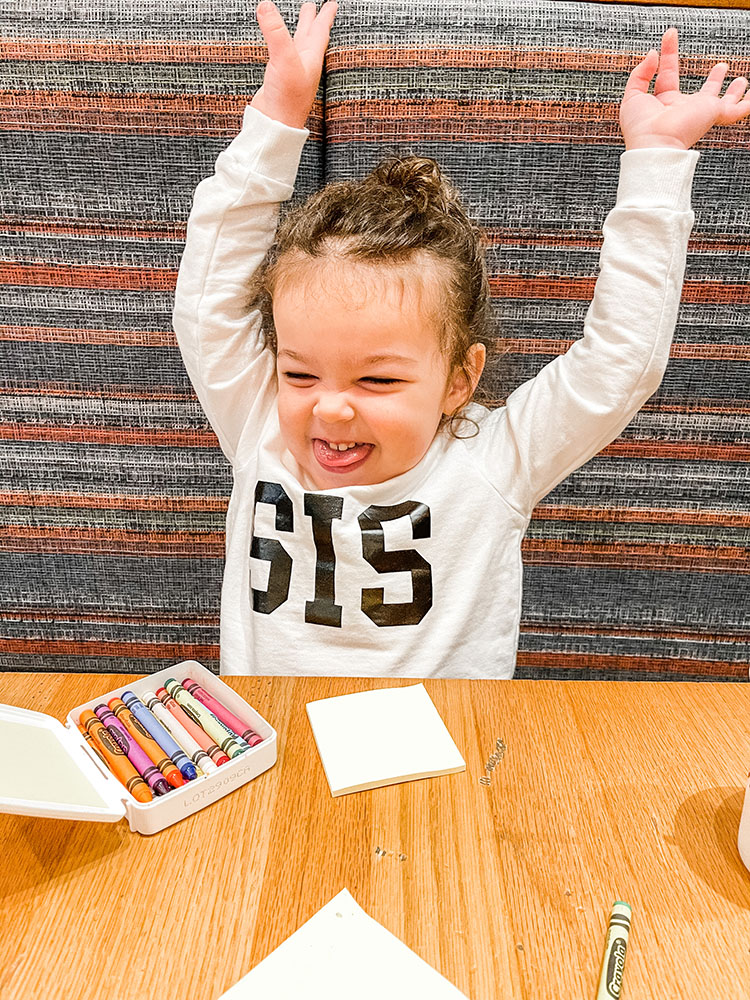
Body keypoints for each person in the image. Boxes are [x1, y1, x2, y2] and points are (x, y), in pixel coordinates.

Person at [173, 2, 750, 678]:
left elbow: (617, 365)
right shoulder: (261, 424)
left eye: (377, 380)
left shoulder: (495, 461)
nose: (329, 408)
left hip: (447, 759)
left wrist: (656, 164)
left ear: (459, 378)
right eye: (301, 375)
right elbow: (207, 303)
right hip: (276, 747)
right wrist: (277, 115)